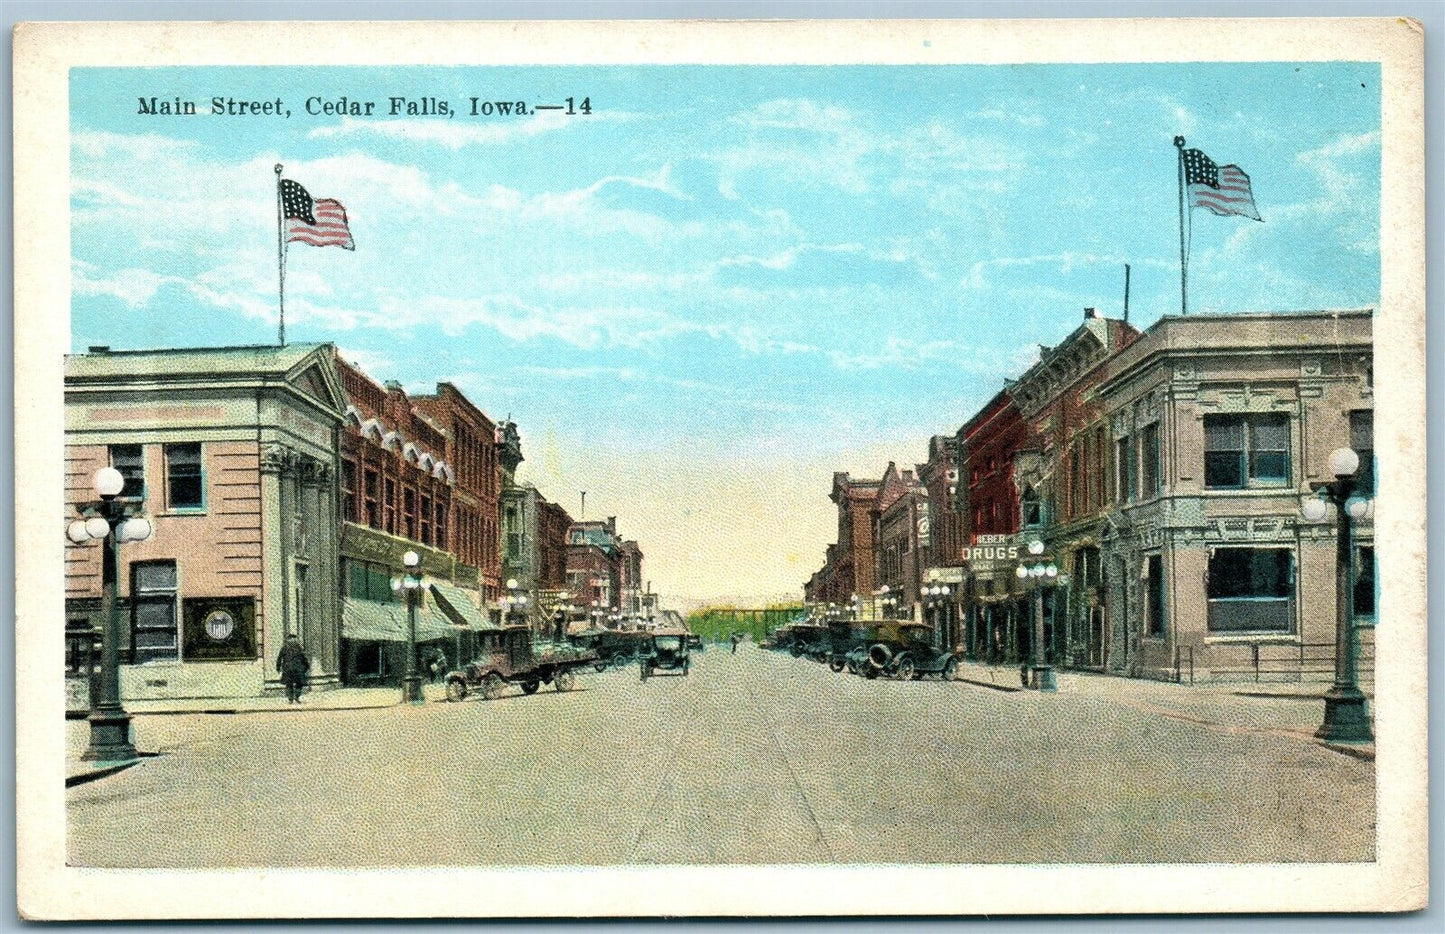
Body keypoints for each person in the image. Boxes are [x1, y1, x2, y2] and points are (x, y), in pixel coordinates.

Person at [276, 634, 310, 704]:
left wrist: (278, 667)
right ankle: (296, 697)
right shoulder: (299, 647)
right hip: (298, 669)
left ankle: (291, 699)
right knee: (299, 684)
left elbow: (279, 658)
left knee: (289, 684)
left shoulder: (284, 647)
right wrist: (307, 666)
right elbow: (304, 658)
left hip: (288, 668)